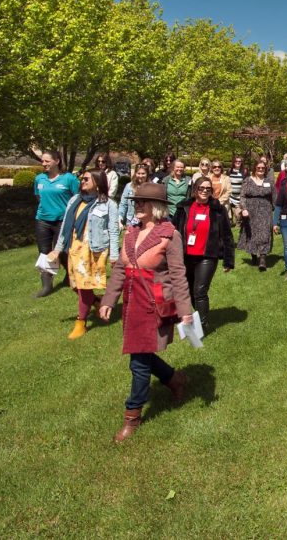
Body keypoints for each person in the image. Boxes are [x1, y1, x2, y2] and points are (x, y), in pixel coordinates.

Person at [98, 183, 193, 442]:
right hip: (131, 304)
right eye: (136, 201)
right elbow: (120, 269)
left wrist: (185, 311)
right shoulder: (130, 232)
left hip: (154, 305)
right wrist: (108, 300)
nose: (137, 205)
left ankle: (132, 417)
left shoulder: (169, 234)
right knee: (142, 354)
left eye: (143, 202)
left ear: (157, 207)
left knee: (138, 363)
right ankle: (175, 379)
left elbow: (178, 275)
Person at [48, 169, 119, 339]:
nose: (82, 181)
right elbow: (66, 227)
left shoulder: (108, 204)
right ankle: (96, 302)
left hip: (93, 250)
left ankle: (81, 323)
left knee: (84, 286)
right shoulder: (75, 200)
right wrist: (57, 249)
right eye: (82, 178)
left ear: (97, 181)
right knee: (75, 284)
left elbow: (114, 231)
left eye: (86, 178)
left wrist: (115, 254)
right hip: (74, 249)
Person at [172, 176, 234, 333]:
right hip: (186, 255)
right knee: (187, 290)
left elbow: (227, 235)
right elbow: (172, 230)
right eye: (202, 188)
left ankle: (203, 325)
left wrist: (228, 260)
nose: (205, 191)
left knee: (200, 291)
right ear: (195, 190)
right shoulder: (183, 207)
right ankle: (196, 318)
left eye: (208, 189)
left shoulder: (218, 210)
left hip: (207, 256)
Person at [33, 150, 80, 297]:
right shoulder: (39, 179)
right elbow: (38, 197)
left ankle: (70, 275)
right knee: (44, 253)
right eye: (42, 161)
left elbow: (78, 198)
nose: (44, 164)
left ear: (57, 161)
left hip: (63, 221)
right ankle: (47, 286)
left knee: (63, 252)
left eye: (47, 161)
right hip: (42, 220)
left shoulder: (69, 179)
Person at [237, 161, 274, 270]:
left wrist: (277, 211)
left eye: (263, 168)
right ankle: (253, 255)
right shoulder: (247, 181)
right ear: (254, 168)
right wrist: (243, 209)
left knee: (264, 233)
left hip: (265, 211)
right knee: (252, 233)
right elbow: (242, 196)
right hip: (250, 210)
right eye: (258, 167)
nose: (261, 169)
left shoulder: (269, 182)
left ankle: (262, 258)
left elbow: (274, 197)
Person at [119, 164, 151, 229]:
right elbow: (123, 204)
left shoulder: (152, 186)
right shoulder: (129, 186)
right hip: (131, 220)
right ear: (135, 174)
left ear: (147, 174)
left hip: (147, 220)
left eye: (143, 173)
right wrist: (120, 218)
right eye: (138, 173)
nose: (140, 176)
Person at [227, 155, 248, 223]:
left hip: (240, 196)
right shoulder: (229, 171)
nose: (238, 162)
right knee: (227, 212)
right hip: (230, 196)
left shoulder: (244, 171)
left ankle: (239, 222)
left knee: (238, 216)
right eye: (236, 161)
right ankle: (229, 221)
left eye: (239, 161)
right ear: (233, 162)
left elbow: (247, 183)